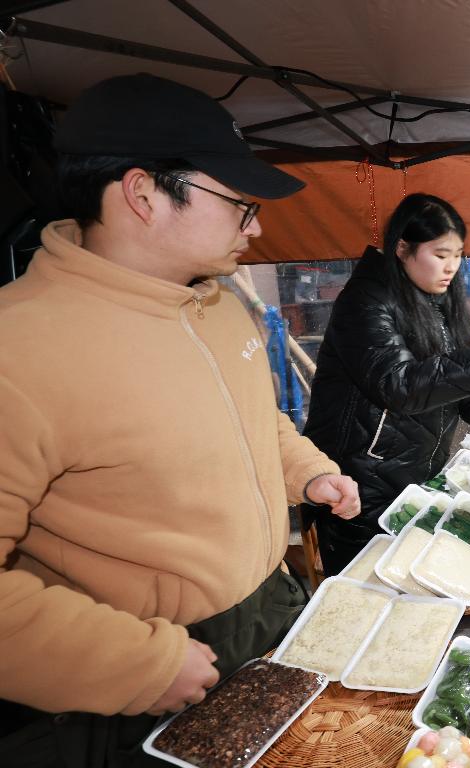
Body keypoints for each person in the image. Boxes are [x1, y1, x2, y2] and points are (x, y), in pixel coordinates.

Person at [0, 74, 361, 766]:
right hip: (147, 668)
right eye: (240, 205)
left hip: (271, 611)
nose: (256, 227)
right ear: (143, 195)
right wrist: (135, 664)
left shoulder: (219, 305)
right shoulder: (19, 348)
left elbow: (255, 420)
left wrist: (307, 472)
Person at [303, 194, 470, 574]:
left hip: (417, 475)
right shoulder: (364, 301)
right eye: (440, 254)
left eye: (458, 255)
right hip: (362, 486)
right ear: (402, 248)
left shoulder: (436, 301)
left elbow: (462, 391)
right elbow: (399, 385)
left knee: (415, 580)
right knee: (368, 589)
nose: (451, 267)